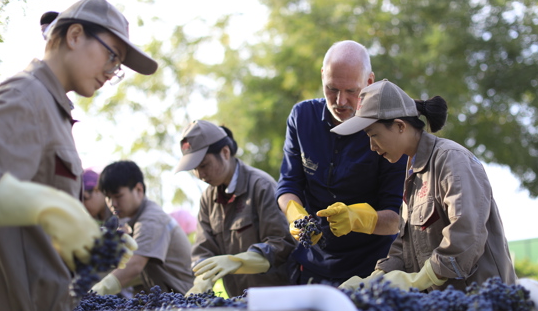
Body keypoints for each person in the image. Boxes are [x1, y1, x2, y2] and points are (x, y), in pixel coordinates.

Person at [0, 0, 157, 311]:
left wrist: (95, 242)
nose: (113, 72)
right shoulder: (24, 97)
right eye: (112, 57)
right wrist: (49, 207)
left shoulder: (52, 109)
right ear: (74, 36)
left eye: (118, 66)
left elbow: (34, 235)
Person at [333, 79, 517, 292]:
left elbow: (467, 235)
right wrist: (377, 279)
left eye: (374, 135)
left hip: (482, 300)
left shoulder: (451, 159)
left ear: (400, 126)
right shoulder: (414, 172)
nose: (372, 146)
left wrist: (420, 279)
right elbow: (406, 246)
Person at [276, 40, 408, 286]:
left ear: (369, 82)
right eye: (332, 89)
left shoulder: (389, 130)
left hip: (372, 270)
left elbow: (396, 219)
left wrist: (359, 218)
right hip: (311, 265)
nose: (340, 101)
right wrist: (294, 214)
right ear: (322, 75)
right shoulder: (301, 117)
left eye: (351, 91)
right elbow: (288, 184)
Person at [175, 120, 295, 297]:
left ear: (225, 153)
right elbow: (203, 250)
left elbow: (281, 244)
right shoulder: (208, 199)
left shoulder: (261, 186)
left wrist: (238, 261)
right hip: (238, 301)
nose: (200, 175)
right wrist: (201, 282)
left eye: (203, 165)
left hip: (276, 299)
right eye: (194, 169)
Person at [91, 160, 194, 295]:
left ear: (139, 190)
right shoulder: (133, 221)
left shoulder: (152, 219)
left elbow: (135, 265)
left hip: (184, 301)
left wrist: (95, 293)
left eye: (118, 196)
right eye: (108, 198)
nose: (112, 204)